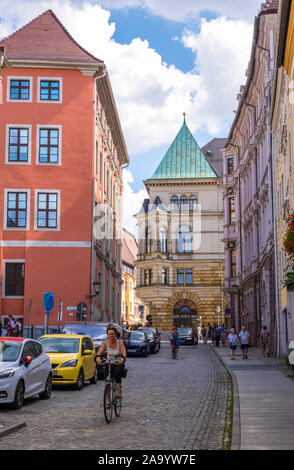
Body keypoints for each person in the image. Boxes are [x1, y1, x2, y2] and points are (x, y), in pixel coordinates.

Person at [96, 326, 126, 399]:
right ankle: (108, 400)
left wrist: (122, 359)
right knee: (107, 380)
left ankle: (118, 392)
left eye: (112, 334)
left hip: (117, 362)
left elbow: (124, 352)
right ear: (107, 335)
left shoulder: (120, 342)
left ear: (115, 334)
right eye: (109, 334)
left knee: (117, 374)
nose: (111, 335)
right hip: (108, 362)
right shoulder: (105, 343)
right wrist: (98, 358)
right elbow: (100, 352)